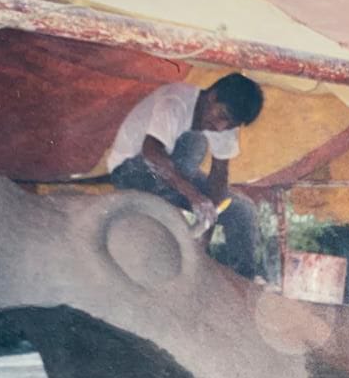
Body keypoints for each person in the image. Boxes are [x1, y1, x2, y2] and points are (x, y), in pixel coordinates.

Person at [108, 73, 270, 281]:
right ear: (212, 96)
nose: (221, 127)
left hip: (176, 177)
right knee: (194, 142)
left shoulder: (224, 127)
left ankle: (243, 286)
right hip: (131, 169)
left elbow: (219, 177)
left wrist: (206, 232)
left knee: (243, 211)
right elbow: (152, 151)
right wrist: (194, 196)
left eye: (230, 124)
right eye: (222, 116)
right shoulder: (175, 101)